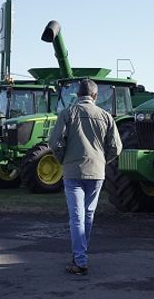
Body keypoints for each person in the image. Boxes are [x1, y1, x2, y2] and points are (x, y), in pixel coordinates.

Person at [48, 79, 122, 276]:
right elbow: (116, 146)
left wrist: (63, 159)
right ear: (95, 96)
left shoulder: (67, 113)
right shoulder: (106, 116)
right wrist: (103, 160)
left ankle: (80, 260)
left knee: (77, 217)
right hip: (97, 173)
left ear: (77, 95)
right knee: (88, 215)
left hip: (73, 172)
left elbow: (54, 142)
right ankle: (80, 255)